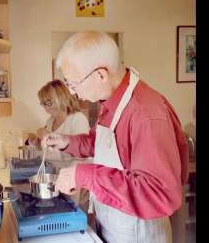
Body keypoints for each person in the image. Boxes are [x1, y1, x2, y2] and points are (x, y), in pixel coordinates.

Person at [42, 31, 189, 243]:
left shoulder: (146, 113)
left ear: (100, 74)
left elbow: (158, 193)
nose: (72, 93)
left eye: (73, 84)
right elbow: (101, 144)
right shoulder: (112, 100)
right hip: (115, 223)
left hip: (139, 233)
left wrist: (85, 176)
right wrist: (67, 142)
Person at [27, 79, 91, 209]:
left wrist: (47, 136)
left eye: (48, 102)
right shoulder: (50, 121)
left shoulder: (77, 119)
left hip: (73, 178)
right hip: (55, 177)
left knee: (74, 216)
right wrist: (36, 142)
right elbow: (47, 151)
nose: (45, 107)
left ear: (61, 98)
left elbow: (82, 156)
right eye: (42, 104)